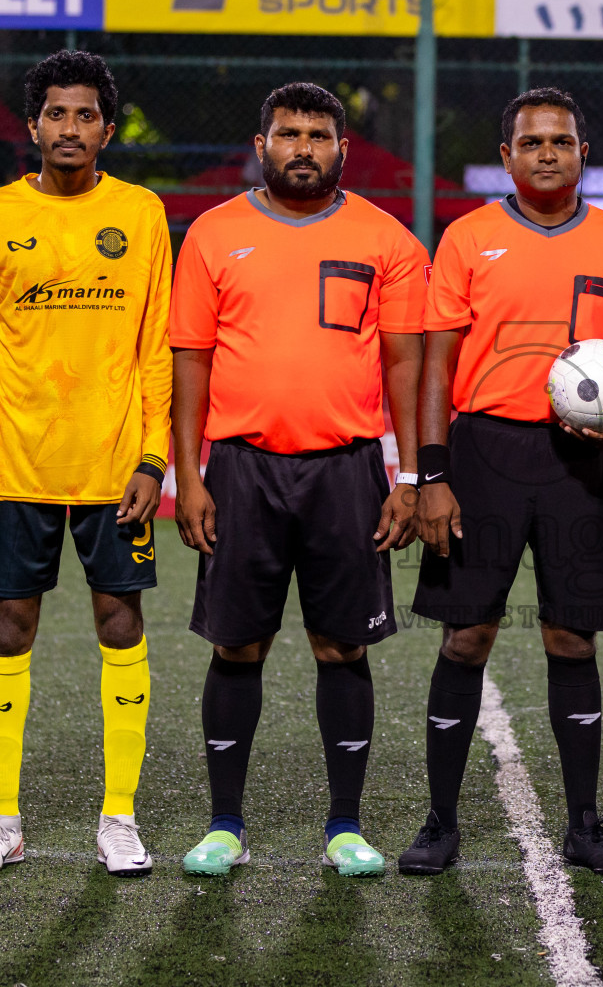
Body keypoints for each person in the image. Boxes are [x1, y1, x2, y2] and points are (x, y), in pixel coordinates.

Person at [399, 87, 603, 877]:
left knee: (571, 635)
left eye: (561, 140)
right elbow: (436, 364)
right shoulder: (467, 239)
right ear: (506, 159)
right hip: (482, 454)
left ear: (583, 151)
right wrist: (432, 474)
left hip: (580, 462)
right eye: (531, 143)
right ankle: (440, 821)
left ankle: (586, 824)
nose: (547, 152)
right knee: (467, 635)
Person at [170, 82, 428, 878]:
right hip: (241, 468)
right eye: (289, 133)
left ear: (343, 149)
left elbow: (405, 365)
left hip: (347, 470)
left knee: (341, 645)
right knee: (237, 643)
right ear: (262, 144)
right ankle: (225, 826)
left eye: (319, 134)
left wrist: (410, 474)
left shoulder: (387, 240)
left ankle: (344, 826)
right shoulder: (213, 235)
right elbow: (191, 362)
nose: (304, 147)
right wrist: (189, 474)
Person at [0, 51, 173, 877]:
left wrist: (155, 457)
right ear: (32, 124)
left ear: (108, 128)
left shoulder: (142, 215)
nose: (70, 128)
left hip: (113, 467)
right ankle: (2, 817)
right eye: (56, 114)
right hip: (10, 466)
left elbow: (156, 348)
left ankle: (119, 815)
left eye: (86, 115)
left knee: (121, 622)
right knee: (11, 626)